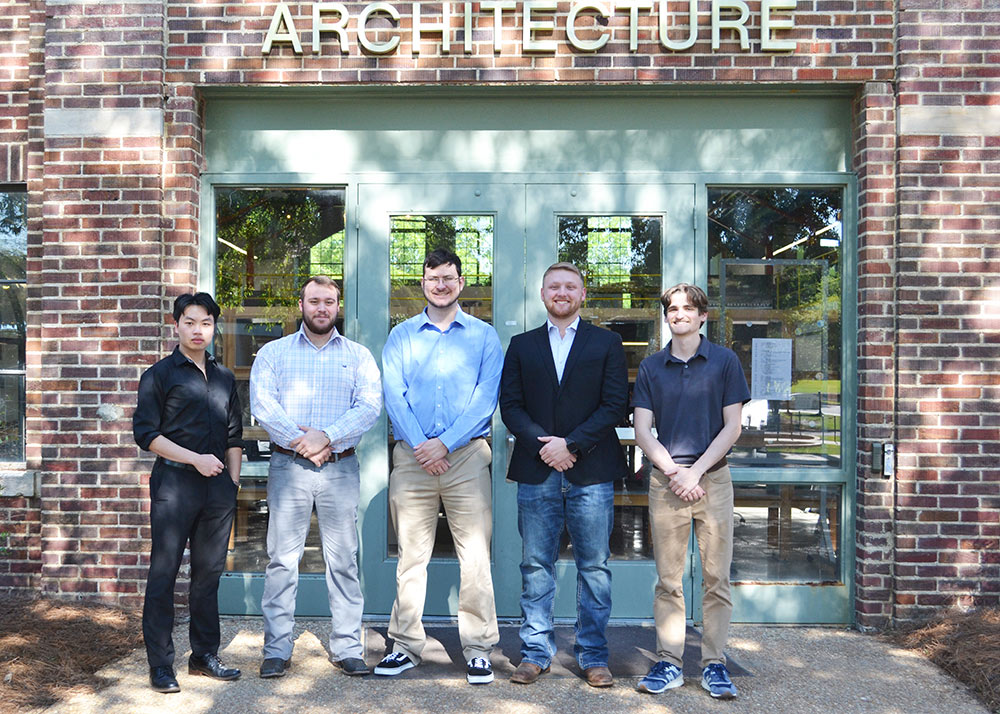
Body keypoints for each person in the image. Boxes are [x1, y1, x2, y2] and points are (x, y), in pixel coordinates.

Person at [374, 249, 502, 685]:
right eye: (433, 279)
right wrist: (422, 446)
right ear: (424, 283)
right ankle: (406, 645)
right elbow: (394, 395)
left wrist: (445, 443)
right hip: (412, 458)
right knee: (412, 557)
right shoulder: (402, 336)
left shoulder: (484, 337)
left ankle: (479, 648)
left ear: (461, 283)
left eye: (448, 278)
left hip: (466, 456)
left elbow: (486, 399)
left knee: (476, 557)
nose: (441, 285)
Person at [499, 261, 628, 688]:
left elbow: (614, 405)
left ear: (582, 294)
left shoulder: (607, 343)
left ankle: (593, 655)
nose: (561, 292)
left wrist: (569, 445)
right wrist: (547, 446)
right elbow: (511, 406)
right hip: (538, 472)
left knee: (594, 567)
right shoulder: (521, 344)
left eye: (570, 286)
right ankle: (536, 652)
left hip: (591, 471)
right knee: (536, 565)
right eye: (554, 286)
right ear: (542, 294)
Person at [250, 276, 382, 679]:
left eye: (329, 301)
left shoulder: (358, 355)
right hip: (289, 467)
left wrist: (326, 436)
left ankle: (347, 648)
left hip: (340, 467)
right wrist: (301, 441)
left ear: (337, 305)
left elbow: (370, 406)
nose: (322, 308)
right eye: (314, 301)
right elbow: (263, 404)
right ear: (302, 305)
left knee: (343, 559)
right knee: (282, 560)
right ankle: (276, 648)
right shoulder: (274, 353)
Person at [632, 283, 750, 700]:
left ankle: (715, 664)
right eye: (672, 309)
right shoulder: (651, 367)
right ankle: (669, 662)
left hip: (712, 480)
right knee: (669, 580)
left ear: (703, 316)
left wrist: (695, 472)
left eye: (687, 308)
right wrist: (673, 472)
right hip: (667, 483)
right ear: (666, 317)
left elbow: (732, 427)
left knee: (717, 579)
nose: (679, 314)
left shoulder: (724, 362)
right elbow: (643, 430)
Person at [133, 292, 244, 693]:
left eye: (206, 323)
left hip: (218, 490)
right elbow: (146, 435)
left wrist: (232, 483)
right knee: (163, 574)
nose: (199, 330)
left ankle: (203, 655)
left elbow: (234, 435)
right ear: (176, 325)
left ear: (214, 327)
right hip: (175, 485)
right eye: (191, 322)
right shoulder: (159, 375)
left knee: (208, 575)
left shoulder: (225, 377)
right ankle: (161, 665)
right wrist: (195, 459)